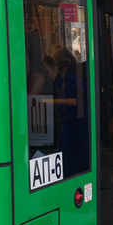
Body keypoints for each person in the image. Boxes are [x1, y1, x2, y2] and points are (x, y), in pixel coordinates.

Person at [43, 46, 89, 177]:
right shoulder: (78, 77)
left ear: (56, 66)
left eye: (48, 71)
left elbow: (79, 117)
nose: (50, 77)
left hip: (75, 142)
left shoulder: (64, 81)